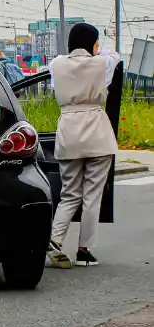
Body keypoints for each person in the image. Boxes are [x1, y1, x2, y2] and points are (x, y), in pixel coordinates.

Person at [46, 23, 121, 269]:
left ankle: (55, 240)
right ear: (92, 42)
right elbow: (114, 55)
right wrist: (98, 49)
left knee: (69, 193)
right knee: (92, 195)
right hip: (97, 131)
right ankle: (84, 251)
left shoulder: (56, 64)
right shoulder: (102, 63)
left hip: (69, 129)